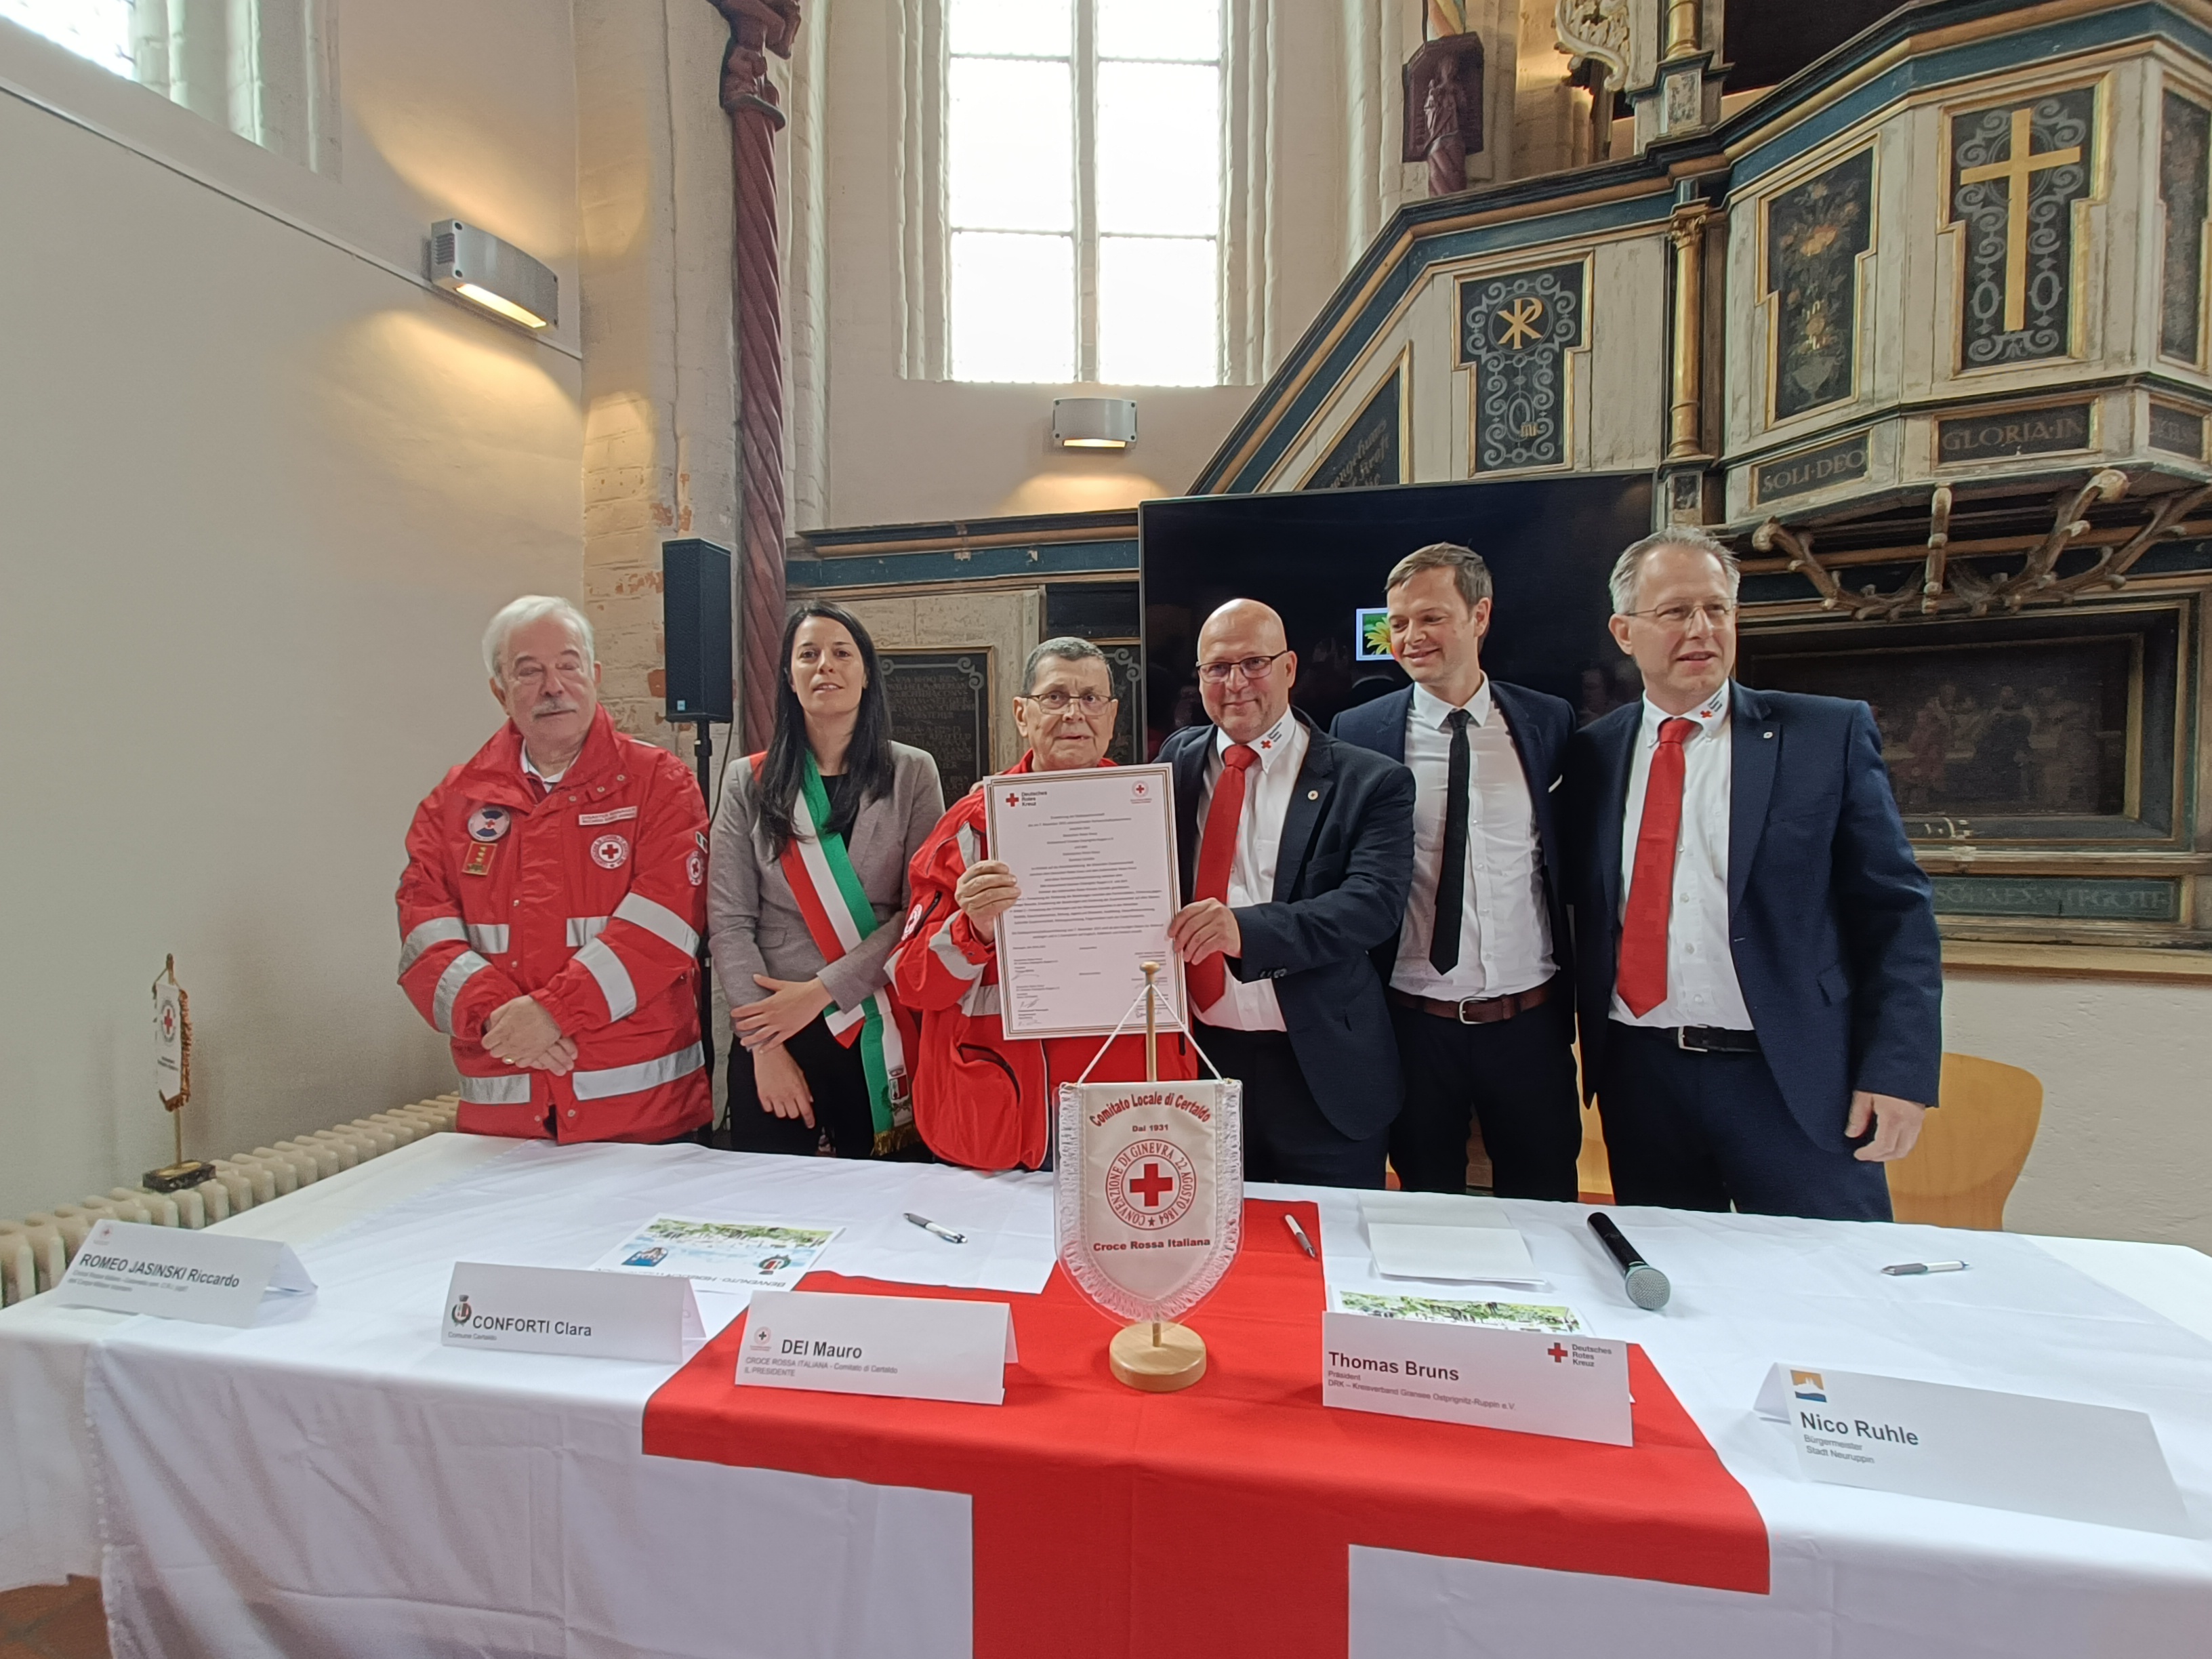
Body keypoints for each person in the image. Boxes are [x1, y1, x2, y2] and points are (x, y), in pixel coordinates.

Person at [1561, 529, 1942, 1220]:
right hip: (1644, 1077)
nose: (1702, 629)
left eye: (1718, 609)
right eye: (1676, 612)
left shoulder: (1825, 736)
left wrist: (1899, 1072)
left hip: (1792, 1075)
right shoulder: (1591, 756)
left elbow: (1896, 914)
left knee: (1831, 1293)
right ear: (1625, 631)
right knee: (1677, 1293)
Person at [396, 596, 712, 1143]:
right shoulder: (452, 803)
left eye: (568, 665)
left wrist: (554, 1012)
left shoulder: (661, 785)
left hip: (643, 1119)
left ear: (593, 676)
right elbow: (425, 942)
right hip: (504, 1125)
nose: (553, 685)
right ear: (500, 691)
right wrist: (502, 1018)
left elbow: (663, 930)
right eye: (529, 671)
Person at [1332, 544, 1581, 1199]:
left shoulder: (1548, 722)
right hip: (1412, 1025)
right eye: (1400, 623)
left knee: (1547, 1204)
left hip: (1529, 1022)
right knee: (1427, 1208)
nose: (1411, 638)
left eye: (1431, 618)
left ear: (1480, 616)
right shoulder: (1357, 733)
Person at [893, 636, 1195, 1170]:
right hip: (1004, 1110)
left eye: (1091, 698)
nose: (1074, 714)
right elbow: (914, 984)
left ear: (1112, 714)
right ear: (1022, 713)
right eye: (1055, 697)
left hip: (1127, 1103)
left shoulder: (1157, 819)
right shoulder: (970, 828)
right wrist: (974, 930)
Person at [1158, 600, 1415, 1187]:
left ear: (1291, 667)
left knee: (1330, 1258)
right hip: (1200, 1067)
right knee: (1212, 1253)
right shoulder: (1174, 762)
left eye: (1254, 663)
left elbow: (1372, 906)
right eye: (1217, 668)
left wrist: (1244, 930)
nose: (1236, 683)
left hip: (1321, 1072)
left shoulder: (1370, 780)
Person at [707, 603, 945, 1159]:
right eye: (808, 655)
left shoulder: (914, 772)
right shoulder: (749, 781)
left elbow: (921, 911)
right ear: (789, 677)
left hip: (876, 1024)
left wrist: (821, 993)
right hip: (771, 1030)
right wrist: (764, 1046)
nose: (825, 667)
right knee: (773, 1210)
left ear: (866, 673)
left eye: (842, 653)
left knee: (886, 1209)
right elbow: (729, 921)